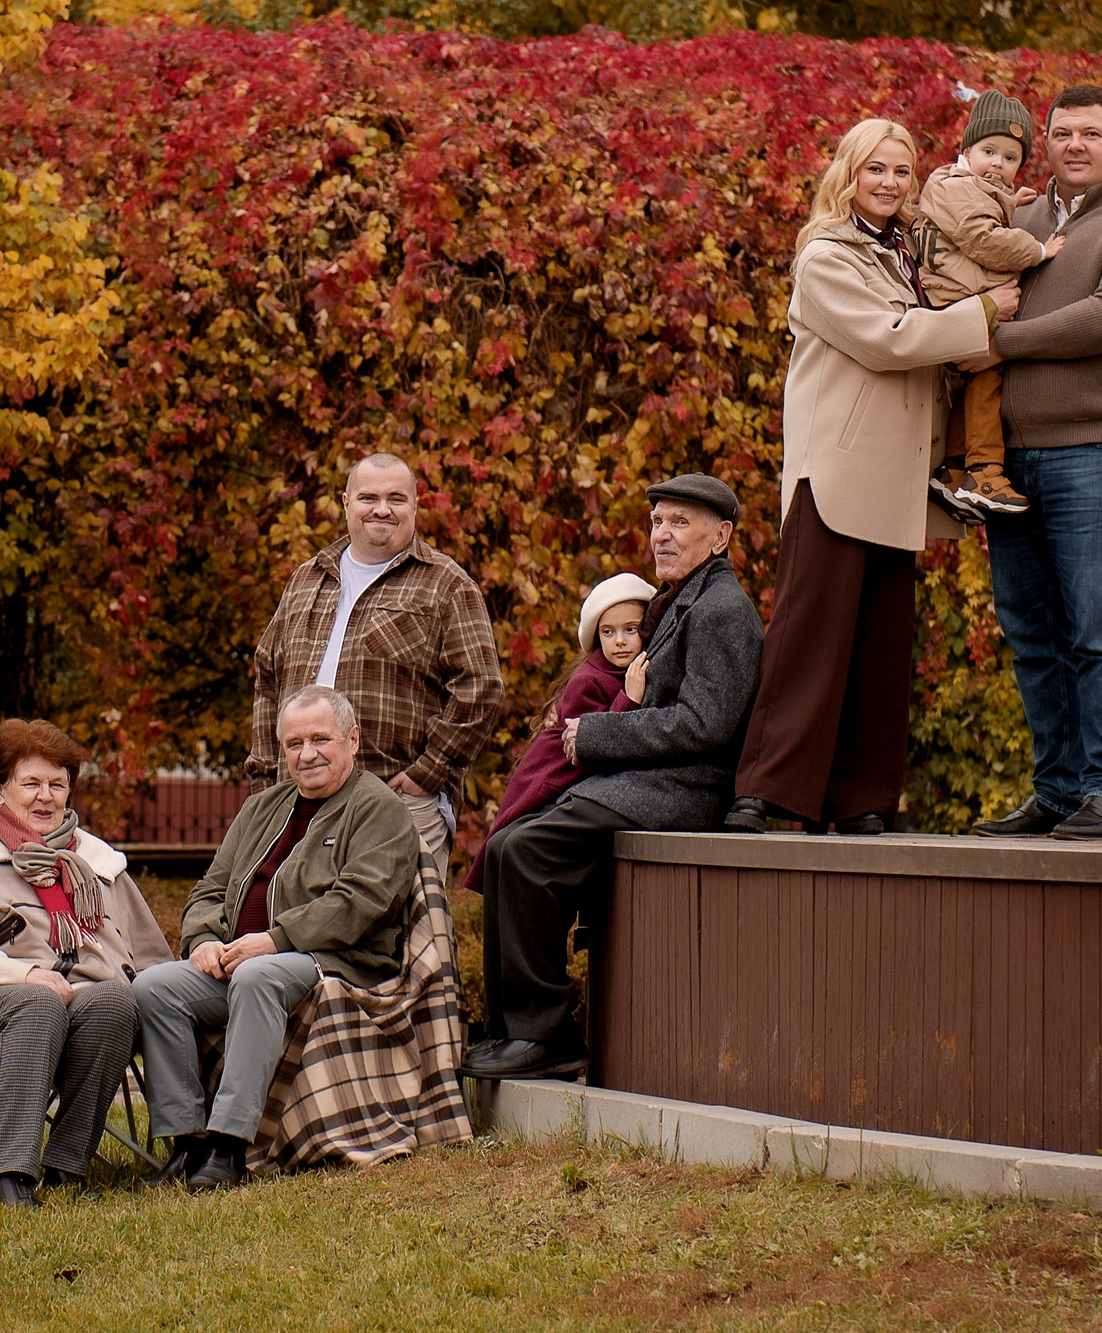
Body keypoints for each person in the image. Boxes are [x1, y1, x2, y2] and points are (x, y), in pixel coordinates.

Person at [722, 118, 1017, 838]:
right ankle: (763, 792)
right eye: (874, 169)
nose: (889, 183)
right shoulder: (826, 253)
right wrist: (982, 311)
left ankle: (861, 799)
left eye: (901, 171)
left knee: (882, 650)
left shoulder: (903, 249)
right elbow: (888, 339)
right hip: (839, 472)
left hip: (898, 479)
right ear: (847, 173)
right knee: (808, 638)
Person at [463, 477, 764, 1080]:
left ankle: (547, 1036)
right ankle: (508, 1031)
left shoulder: (723, 611)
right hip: (645, 780)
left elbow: (707, 725)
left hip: (685, 788)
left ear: (722, 536)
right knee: (503, 846)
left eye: (680, 522)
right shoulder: (683, 600)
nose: (662, 534)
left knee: (526, 850)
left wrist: (596, 735)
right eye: (657, 521)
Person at [969, 84, 1102, 842]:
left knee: (1098, 627)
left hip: (1095, 450)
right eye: (1059, 133)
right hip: (1004, 461)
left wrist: (998, 338)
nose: (1072, 145)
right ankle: (1057, 791)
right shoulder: (1019, 220)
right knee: (1030, 630)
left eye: (1088, 133)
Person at [135, 687, 420, 1192]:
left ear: (353, 740)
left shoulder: (379, 808)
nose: (305, 754)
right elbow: (210, 888)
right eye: (293, 744)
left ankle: (229, 1147)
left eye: (319, 739)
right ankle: (186, 1143)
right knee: (155, 986)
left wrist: (275, 940)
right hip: (242, 959)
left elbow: (360, 903)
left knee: (258, 975)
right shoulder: (263, 807)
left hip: (334, 960)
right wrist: (201, 938)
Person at [0, 719, 169, 1207]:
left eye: (57, 784)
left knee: (115, 999)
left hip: (90, 1011)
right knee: (36, 1003)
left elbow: (152, 958)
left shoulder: (101, 865)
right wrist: (21, 973)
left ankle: (66, 1170)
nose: (45, 797)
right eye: (30, 783)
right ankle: (9, 1179)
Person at [246, 452, 503, 861]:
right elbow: (268, 682)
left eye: (396, 499)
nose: (382, 509)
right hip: (297, 802)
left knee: (404, 925)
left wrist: (429, 772)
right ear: (346, 503)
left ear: (415, 507)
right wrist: (265, 782)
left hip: (396, 800)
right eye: (368, 498)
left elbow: (481, 687)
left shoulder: (446, 584)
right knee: (297, 921)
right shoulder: (305, 579)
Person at [909, 90, 1065, 517]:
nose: (998, 163)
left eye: (1011, 158)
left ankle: (954, 469)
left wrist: (1013, 201)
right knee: (988, 378)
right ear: (965, 150)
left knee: (975, 383)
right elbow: (980, 237)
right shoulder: (953, 186)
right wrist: (1037, 250)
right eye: (989, 151)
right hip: (959, 306)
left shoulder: (962, 187)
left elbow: (976, 210)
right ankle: (985, 471)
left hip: (960, 302)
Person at [461, 572, 657, 891]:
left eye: (630, 629)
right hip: (551, 778)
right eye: (609, 632)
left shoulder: (625, 669)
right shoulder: (590, 680)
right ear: (597, 637)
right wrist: (629, 698)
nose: (620, 640)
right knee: (511, 844)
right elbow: (592, 745)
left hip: (574, 784)